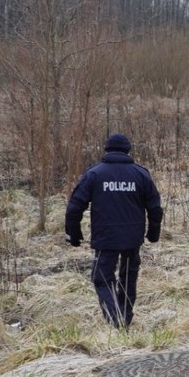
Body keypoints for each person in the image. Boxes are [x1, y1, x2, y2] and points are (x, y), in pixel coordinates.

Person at [65, 133, 163, 328]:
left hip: (105, 238)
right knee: (128, 277)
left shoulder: (94, 174)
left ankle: (115, 321)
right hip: (132, 238)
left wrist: (73, 235)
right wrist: (153, 234)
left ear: (106, 149)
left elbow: (74, 207)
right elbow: (155, 208)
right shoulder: (141, 174)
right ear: (128, 150)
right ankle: (124, 318)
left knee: (101, 278)